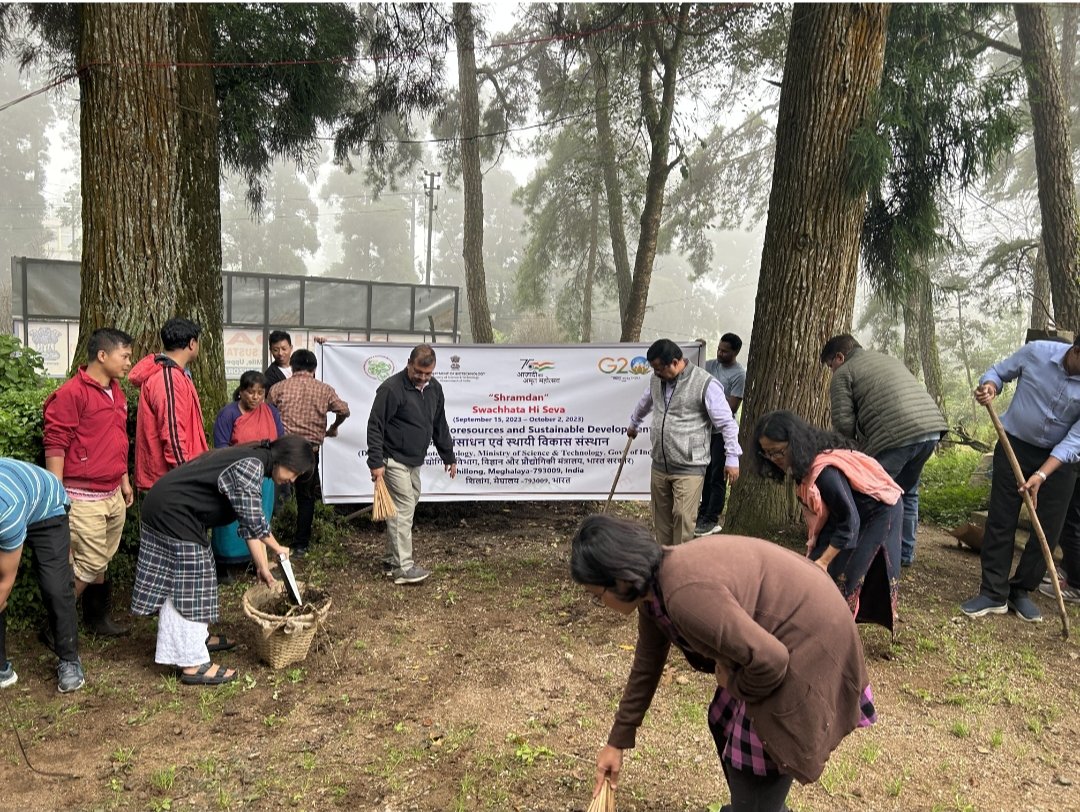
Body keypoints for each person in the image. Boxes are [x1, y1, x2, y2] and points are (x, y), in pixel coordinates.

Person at [572, 514, 876, 812]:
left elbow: (772, 661)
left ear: (622, 579)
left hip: (809, 643)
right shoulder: (654, 590)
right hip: (775, 644)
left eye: (597, 595)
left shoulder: (684, 594)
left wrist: (732, 682)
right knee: (725, 723)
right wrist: (617, 741)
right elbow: (647, 664)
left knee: (754, 759)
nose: (600, 604)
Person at [130, 436, 315, 685]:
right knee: (193, 579)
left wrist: (262, 565)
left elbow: (249, 522)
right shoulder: (251, 464)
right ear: (286, 458)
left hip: (172, 510)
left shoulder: (254, 462)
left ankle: (195, 640)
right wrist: (277, 547)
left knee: (195, 575)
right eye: (294, 472)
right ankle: (191, 663)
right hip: (171, 512)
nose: (292, 480)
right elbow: (254, 521)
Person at [960, 336, 1080, 623]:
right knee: (1002, 518)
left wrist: (1041, 474)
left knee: (1049, 528)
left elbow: (1075, 440)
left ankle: (1020, 590)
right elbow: (998, 373)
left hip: (1058, 460)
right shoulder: (1037, 352)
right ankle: (993, 592)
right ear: (1076, 350)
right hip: (1013, 443)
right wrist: (989, 386)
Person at [753, 410, 903, 631]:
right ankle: (798, 623)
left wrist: (824, 562)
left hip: (878, 511)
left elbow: (850, 523)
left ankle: (834, 633)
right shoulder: (803, 467)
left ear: (794, 444)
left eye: (778, 452)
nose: (774, 460)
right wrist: (819, 560)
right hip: (850, 512)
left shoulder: (824, 472)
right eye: (767, 454)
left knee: (843, 575)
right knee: (811, 567)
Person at [820, 334, 946, 567]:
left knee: (869, 493)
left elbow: (843, 423)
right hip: (930, 429)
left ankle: (857, 552)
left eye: (830, 365)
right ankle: (905, 553)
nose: (831, 371)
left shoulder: (844, 372)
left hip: (897, 436)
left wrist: (849, 458)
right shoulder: (887, 360)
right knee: (906, 492)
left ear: (840, 356)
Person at [42, 328, 135, 637]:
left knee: (102, 560)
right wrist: (56, 495)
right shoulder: (71, 393)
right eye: (125, 356)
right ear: (102, 355)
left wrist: (124, 481)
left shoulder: (116, 391)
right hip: (82, 497)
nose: (128, 363)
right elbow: (56, 442)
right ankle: (55, 626)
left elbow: (117, 439)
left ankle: (96, 620)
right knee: (89, 561)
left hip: (112, 492)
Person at [627, 339, 741, 547]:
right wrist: (634, 423)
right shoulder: (657, 379)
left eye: (659, 368)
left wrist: (732, 458)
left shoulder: (704, 383)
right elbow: (646, 401)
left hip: (689, 465)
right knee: (661, 520)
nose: (656, 373)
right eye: (653, 369)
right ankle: (663, 561)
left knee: (683, 518)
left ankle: (682, 567)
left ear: (675, 362)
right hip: (660, 463)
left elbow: (727, 423)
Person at [367, 343, 456, 585]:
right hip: (392, 458)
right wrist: (376, 462)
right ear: (409, 364)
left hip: (414, 460)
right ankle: (403, 567)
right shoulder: (391, 389)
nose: (423, 377)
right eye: (418, 372)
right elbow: (375, 425)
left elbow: (439, 423)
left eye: (428, 373)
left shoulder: (434, 388)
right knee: (404, 506)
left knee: (406, 504)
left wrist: (448, 455)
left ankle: (390, 559)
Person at [0, 458, 85, 693]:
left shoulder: (6, 514)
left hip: (48, 505)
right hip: (19, 490)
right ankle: (2, 669)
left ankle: (69, 661)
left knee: (55, 587)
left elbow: (4, 582)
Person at [268, 349, 350, 555]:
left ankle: (270, 537)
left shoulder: (278, 388)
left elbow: (267, 412)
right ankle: (300, 544)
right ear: (314, 369)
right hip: (308, 452)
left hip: (283, 451)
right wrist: (333, 427)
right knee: (306, 498)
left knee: (274, 494)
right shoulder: (324, 389)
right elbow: (344, 410)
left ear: (292, 367)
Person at [211, 371, 285, 578]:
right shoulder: (228, 414)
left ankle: (257, 562)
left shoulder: (271, 412)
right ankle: (224, 564)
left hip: (264, 476)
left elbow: (279, 441)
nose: (255, 397)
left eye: (260, 393)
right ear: (241, 392)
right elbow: (221, 447)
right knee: (230, 520)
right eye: (251, 392)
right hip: (234, 477)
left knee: (260, 516)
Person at [130, 317, 209, 491]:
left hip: (173, 479)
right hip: (172, 482)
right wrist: (186, 476)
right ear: (192, 343)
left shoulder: (174, 374)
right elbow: (172, 433)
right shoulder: (169, 377)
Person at [695, 333, 746, 536]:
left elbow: (732, 406)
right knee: (705, 472)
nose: (720, 353)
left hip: (721, 432)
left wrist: (713, 396)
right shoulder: (710, 365)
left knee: (717, 475)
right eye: (719, 349)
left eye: (725, 351)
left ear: (735, 353)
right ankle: (702, 511)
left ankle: (711, 517)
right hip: (704, 429)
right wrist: (697, 349)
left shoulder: (738, 374)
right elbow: (692, 368)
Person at [263, 330, 293, 396]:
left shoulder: (302, 365)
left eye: (284, 349)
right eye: (275, 350)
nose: (280, 353)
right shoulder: (269, 375)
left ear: (291, 348)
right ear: (270, 350)